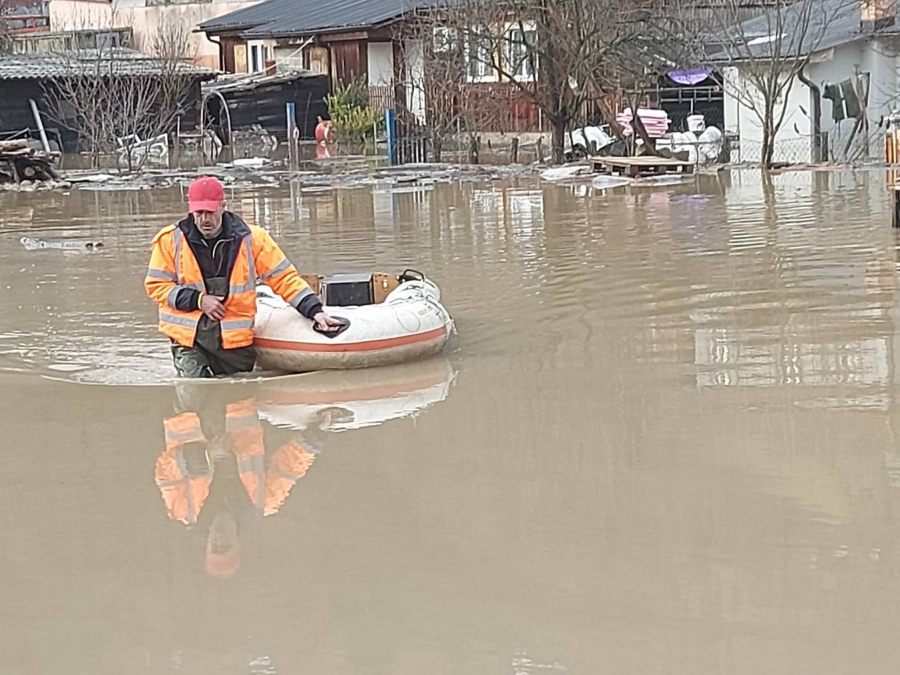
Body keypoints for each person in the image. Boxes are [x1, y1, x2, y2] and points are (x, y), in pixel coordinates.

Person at [145, 176, 341, 378]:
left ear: (223, 206)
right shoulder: (169, 241)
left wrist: (315, 311)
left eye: (210, 212)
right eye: (199, 212)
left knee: (241, 403)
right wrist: (198, 300)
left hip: (235, 343)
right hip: (189, 340)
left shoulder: (253, 239)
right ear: (190, 209)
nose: (204, 219)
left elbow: (284, 278)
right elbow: (156, 286)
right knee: (197, 392)